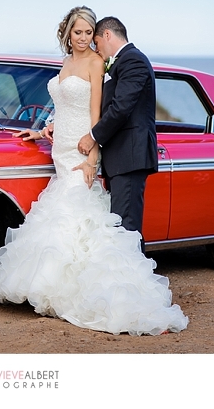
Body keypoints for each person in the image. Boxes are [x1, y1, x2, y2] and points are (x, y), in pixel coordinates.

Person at [0, 6, 187, 335]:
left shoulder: (99, 63)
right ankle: (53, 288)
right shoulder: (67, 63)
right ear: (68, 33)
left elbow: (100, 111)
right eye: (77, 33)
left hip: (83, 149)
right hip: (61, 147)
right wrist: (42, 129)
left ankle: (123, 296)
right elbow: (65, 104)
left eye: (88, 34)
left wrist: (93, 153)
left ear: (99, 36)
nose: (83, 39)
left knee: (93, 221)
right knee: (66, 217)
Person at [77, 16, 157, 252]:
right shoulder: (122, 61)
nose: (96, 49)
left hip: (130, 156)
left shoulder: (134, 61)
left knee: (126, 228)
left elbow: (121, 108)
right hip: (120, 158)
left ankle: (135, 286)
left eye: (97, 42)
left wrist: (93, 136)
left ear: (107, 35)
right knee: (119, 225)